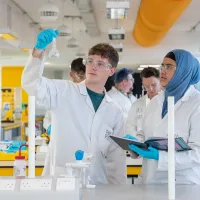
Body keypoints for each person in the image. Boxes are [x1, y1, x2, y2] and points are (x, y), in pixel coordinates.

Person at [22, 29, 126, 184]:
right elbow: (32, 85)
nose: (93, 67)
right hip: (60, 182)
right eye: (90, 61)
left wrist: (118, 191)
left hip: (97, 184)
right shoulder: (63, 91)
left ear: (111, 71)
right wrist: (38, 51)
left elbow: (116, 158)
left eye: (100, 64)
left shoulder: (114, 111)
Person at [128, 50, 200, 184]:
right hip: (150, 180)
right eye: (162, 66)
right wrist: (135, 144)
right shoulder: (156, 101)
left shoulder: (196, 104)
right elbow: (144, 135)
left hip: (183, 184)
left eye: (169, 67)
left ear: (184, 71)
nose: (163, 71)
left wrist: (160, 157)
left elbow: (198, 153)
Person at [43, 57, 86, 133]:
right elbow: (47, 118)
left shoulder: (92, 95)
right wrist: (49, 127)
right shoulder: (60, 92)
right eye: (80, 77)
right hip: (61, 137)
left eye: (85, 77)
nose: (82, 81)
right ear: (71, 75)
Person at [126, 67, 161, 138]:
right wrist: (138, 143)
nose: (150, 89)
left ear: (160, 82)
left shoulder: (167, 102)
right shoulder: (137, 104)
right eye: (147, 86)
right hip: (141, 145)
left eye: (154, 85)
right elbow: (130, 126)